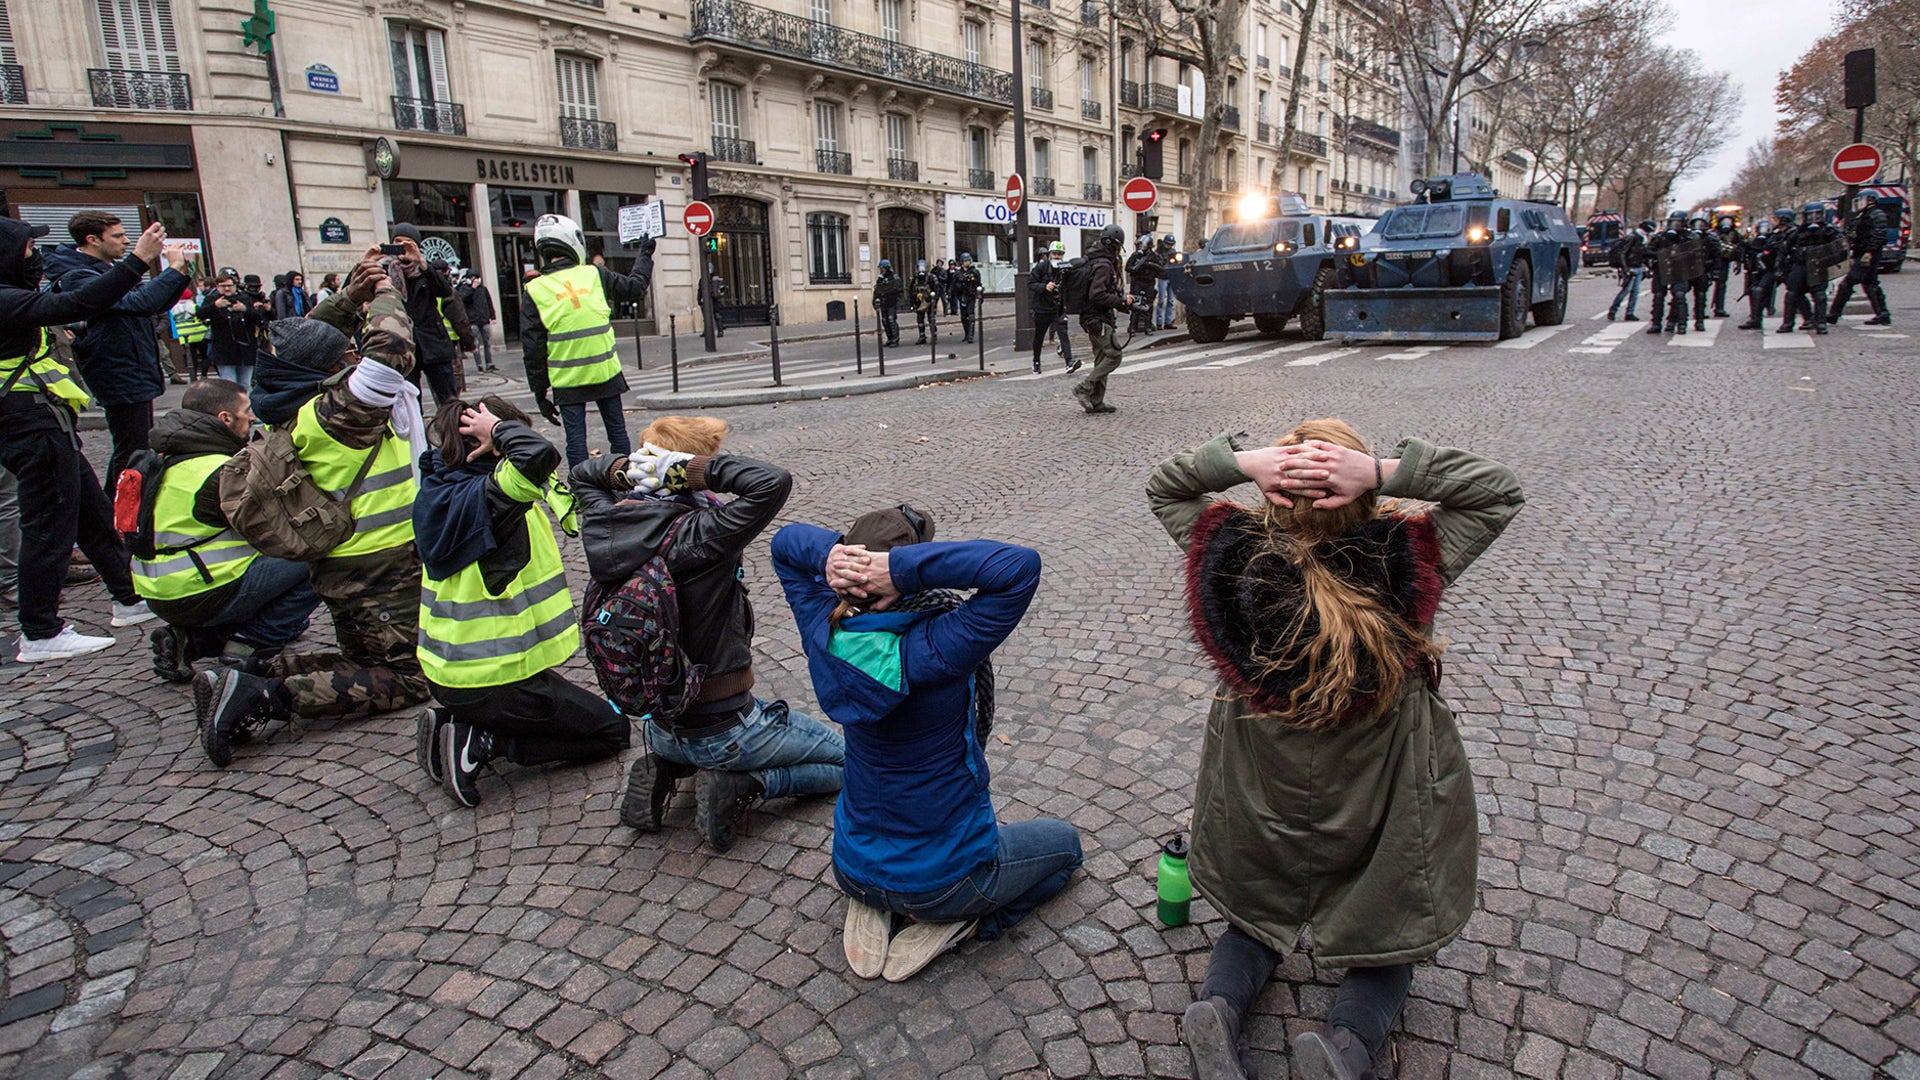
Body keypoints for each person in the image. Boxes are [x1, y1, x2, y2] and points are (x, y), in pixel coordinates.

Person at [1148, 420, 1523, 1080]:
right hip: (1379, 788)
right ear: (1358, 496)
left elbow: (1166, 488)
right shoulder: (1408, 557)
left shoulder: (1228, 554)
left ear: (1274, 490)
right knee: (1386, 934)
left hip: (1261, 782)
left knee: (1257, 913)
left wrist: (1238, 459)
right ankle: (1345, 1050)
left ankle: (1219, 1007)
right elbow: (1496, 492)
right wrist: (1385, 469)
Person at [771, 507, 1078, 983]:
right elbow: (1018, 567)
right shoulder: (939, 645)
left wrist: (829, 557)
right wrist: (898, 571)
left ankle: (877, 898)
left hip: (851, 866)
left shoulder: (821, 627)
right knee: (1066, 847)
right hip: (945, 882)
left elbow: (785, 545)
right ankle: (966, 922)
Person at [192, 250, 432, 767]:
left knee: (364, 658)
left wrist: (347, 299)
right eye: (345, 353)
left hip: (340, 560)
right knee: (410, 677)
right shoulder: (340, 413)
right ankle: (264, 698)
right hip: (380, 565)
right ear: (332, 368)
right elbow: (390, 351)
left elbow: (299, 349)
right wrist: (387, 293)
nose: (352, 357)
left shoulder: (286, 399)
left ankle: (249, 674)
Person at [571, 417, 843, 851]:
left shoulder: (608, 522)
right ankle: (747, 784)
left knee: (685, 741)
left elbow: (581, 474)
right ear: (685, 466)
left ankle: (666, 765)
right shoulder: (703, 531)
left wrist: (628, 469)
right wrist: (687, 468)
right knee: (847, 761)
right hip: (726, 731)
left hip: (660, 722)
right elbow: (772, 482)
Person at [411, 396, 627, 806]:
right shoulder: (494, 494)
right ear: (491, 445)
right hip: (492, 680)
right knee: (610, 732)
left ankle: (450, 721)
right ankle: (486, 741)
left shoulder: (441, 486)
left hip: (451, 674)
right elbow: (539, 455)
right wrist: (497, 429)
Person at [0, 215, 170, 661]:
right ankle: (40, 631)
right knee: (48, 525)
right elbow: (78, 302)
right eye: (26, 249)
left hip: (44, 419)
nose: (35, 256)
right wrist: (138, 262)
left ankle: (128, 599)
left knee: (91, 513)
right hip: (27, 422)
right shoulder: (5, 298)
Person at [135, 378, 321, 682]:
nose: (252, 417)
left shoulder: (160, 458)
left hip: (157, 591)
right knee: (319, 556)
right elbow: (279, 529)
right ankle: (252, 643)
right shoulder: (220, 470)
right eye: (246, 411)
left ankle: (191, 641)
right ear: (225, 418)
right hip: (203, 588)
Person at [48, 210, 192, 497]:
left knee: (133, 446)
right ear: (92, 240)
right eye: (117, 236)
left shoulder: (104, 270)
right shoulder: (79, 276)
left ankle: (114, 510)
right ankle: (119, 512)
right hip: (117, 370)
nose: (126, 241)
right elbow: (138, 302)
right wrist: (169, 270)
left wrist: (178, 274)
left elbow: (152, 303)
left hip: (132, 367)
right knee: (131, 449)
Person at [521, 213, 654, 468]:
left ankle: (584, 493)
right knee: (617, 436)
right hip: (605, 372)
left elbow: (533, 348)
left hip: (568, 380)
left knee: (576, 443)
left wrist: (540, 393)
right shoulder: (595, 274)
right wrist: (645, 253)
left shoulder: (535, 290)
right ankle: (623, 479)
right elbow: (635, 287)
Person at [385, 224, 473, 407]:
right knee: (409, 405)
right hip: (403, 346)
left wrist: (422, 262)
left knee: (448, 401)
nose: (402, 248)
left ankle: (451, 433)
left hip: (434, 344)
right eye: (397, 243)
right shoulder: (387, 272)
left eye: (407, 243)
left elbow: (445, 290)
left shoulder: (426, 271)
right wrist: (370, 262)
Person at [1073, 224, 1132, 414]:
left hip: (1092, 317)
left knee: (1101, 358)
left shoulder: (1093, 260)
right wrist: (1121, 300)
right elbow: (1097, 294)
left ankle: (1097, 401)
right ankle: (1084, 387)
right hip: (1097, 317)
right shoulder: (1104, 265)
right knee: (1114, 356)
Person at [1828, 196, 1891, 326]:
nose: (1858, 204)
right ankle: (1882, 314)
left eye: (1861, 200)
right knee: (1870, 284)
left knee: (1847, 283)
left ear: (1870, 201)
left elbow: (1878, 235)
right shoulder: (1863, 215)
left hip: (1868, 254)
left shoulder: (1877, 214)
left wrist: (1869, 253)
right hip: (1862, 253)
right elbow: (1856, 235)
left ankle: (1834, 314)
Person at [1779, 203, 1841, 335]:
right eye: (1810, 215)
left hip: (1818, 265)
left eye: (1817, 215)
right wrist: (1782, 266)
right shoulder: (1798, 232)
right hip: (1800, 264)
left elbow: (1840, 247)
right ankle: (1788, 323)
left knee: (1819, 296)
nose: (1814, 218)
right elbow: (1785, 249)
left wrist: (1827, 258)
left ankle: (1821, 323)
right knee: (1792, 294)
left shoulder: (1829, 230)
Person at [197, 273, 264, 385]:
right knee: (229, 384)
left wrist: (245, 309)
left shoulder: (244, 297)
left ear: (235, 285)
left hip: (245, 348)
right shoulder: (212, 299)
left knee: (245, 384)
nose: (227, 288)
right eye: (223, 286)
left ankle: (245, 402)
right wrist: (215, 306)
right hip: (224, 349)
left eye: (229, 285)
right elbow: (200, 314)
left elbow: (258, 319)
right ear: (217, 287)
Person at [1738, 210, 1794, 331]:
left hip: (1788, 268)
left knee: (1794, 293)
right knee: (1759, 290)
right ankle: (1756, 319)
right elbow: (1767, 247)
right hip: (1774, 267)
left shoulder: (1793, 233)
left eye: (1776, 218)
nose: (1774, 221)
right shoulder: (1776, 233)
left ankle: (1807, 319)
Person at [1028, 241, 1077, 374]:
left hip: (1058, 308)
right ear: (1050, 254)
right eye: (1055, 253)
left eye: (1060, 254)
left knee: (1063, 334)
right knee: (1039, 337)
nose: (1057, 256)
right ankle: (1036, 362)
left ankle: (1069, 362)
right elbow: (1031, 283)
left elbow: (1069, 286)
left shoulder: (1065, 268)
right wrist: (1044, 287)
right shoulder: (1041, 267)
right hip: (1042, 308)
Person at [1645, 211, 1694, 336]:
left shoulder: (1689, 237)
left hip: (1680, 270)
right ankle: (1656, 324)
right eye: (1673, 223)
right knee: (1658, 296)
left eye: (1678, 223)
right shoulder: (1661, 237)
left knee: (1679, 295)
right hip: (1661, 270)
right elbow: (1648, 251)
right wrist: (1662, 255)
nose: (1675, 225)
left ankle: (1680, 324)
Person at [1606, 220, 1652, 322]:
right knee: (1626, 290)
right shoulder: (1633, 237)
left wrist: (1648, 267)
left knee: (1635, 292)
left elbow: (1642, 254)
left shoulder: (1641, 238)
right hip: (1631, 268)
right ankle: (1613, 311)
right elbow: (1623, 253)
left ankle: (1629, 313)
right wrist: (1625, 268)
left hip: (1638, 267)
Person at [456, 270, 498, 372]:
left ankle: (489, 363)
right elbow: (463, 299)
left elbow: (488, 302)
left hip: (484, 319)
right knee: (476, 343)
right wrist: (472, 289)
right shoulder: (464, 289)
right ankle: (479, 364)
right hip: (473, 320)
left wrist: (492, 316)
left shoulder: (483, 289)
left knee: (487, 342)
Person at [1125, 236, 1163, 335]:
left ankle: (1148, 327)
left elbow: (1161, 268)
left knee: (1148, 305)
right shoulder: (1136, 255)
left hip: (1149, 282)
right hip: (1137, 282)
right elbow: (1128, 268)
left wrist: (1150, 265)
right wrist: (1137, 267)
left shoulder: (1154, 256)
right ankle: (1133, 327)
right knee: (1135, 304)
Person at [1708, 215, 1740, 318]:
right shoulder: (1713, 233)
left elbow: (1740, 247)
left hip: (1724, 261)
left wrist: (1738, 261)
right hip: (1711, 261)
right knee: (1701, 287)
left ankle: (1719, 307)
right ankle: (1699, 311)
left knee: (1721, 285)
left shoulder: (1734, 234)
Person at [950, 253, 983, 343]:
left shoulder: (974, 272)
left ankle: (971, 336)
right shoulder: (958, 273)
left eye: (968, 261)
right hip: (962, 296)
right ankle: (967, 334)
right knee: (964, 317)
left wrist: (980, 295)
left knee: (971, 315)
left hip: (971, 295)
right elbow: (954, 285)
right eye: (965, 261)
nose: (967, 263)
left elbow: (979, 285)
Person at [872, 259, 903, 348]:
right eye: (880, 268)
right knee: (885, 320)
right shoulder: (880, 279)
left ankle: (895, 339)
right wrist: (874, 300)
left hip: (892, 302)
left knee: (891, 320)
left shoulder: (894, 277)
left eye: (882, 268)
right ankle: (890, 338)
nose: (881, 270)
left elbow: (897, 288)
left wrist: (886, 290)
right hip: (884, 302)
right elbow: (877, 290)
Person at [910, 259, 937, 345]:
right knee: (920, 320)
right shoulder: (915, 279)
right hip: (919, 302)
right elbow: (911, 291)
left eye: (923, 268)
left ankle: (934, 336)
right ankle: (922, 336)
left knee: (931, 319)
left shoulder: (931, 277)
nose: (921, 270)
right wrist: (912, 304)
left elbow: (937, 289)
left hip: (929, 301)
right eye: (919, 268)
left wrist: (934, 300)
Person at [1155, 234, 1180, 329]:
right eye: (1168, 244)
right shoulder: (1159, 252)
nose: (1169, 246)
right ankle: (1159, 322)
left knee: (1170, 301)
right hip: (1162, 277)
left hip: (1171, 277)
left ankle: (1168, 322)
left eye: (1171, 244)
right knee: (1161, 300)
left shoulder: (1173, 252)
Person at [700, 264, 727, 338]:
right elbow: (700, 290)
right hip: (709, 299)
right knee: (707, 316)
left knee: (716, 315)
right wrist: (699, 299)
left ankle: (720, 330)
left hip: (713, 299)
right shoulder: (705, 279)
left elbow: (721, 289)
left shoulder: (714, 278)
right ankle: (708, 331)